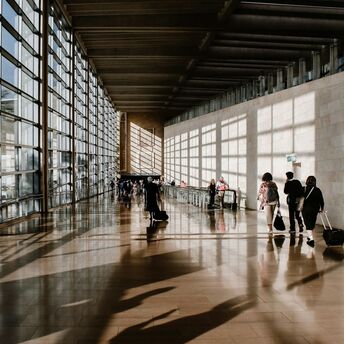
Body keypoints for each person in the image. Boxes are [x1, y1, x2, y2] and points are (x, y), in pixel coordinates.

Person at [301, 176, 324, 247]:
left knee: (307, 224)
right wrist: (322, 208)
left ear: (307, 181)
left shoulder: (304, 189)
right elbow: (321, 200)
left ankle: (311, 240)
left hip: (306, 209)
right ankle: (310, 236)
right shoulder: (318, 190)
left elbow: (300, 198)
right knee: (312, 223)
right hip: (315, 209)